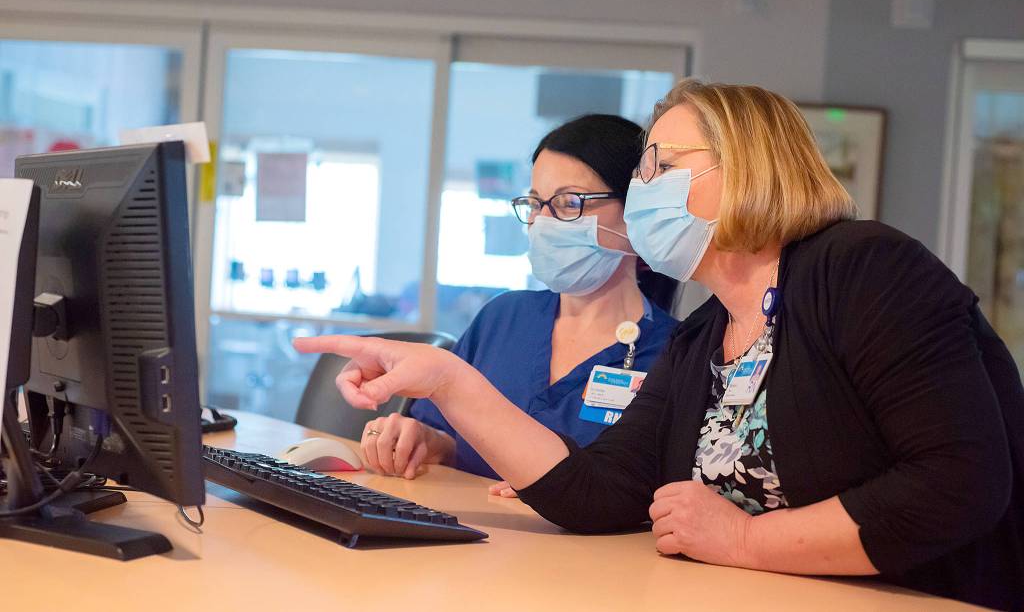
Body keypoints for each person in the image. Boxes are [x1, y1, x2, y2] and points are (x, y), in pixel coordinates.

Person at [295, 80, 1024, 610]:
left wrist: (743, 541)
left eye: (658, 166)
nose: (641, 187)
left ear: (743, 170)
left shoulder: (861, 267)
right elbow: (596, 489)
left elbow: (959, 483)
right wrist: (449, 380)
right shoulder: (706, 335)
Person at [356, 115, 678, 482]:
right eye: (535, 203)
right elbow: (448, 438)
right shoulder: (504, 319)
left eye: (569, 202)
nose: (542, 221)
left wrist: (560, 493)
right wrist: (424, 440)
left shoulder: (674, 353)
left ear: (636, 213)